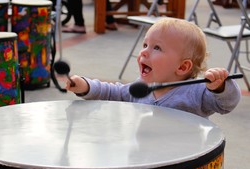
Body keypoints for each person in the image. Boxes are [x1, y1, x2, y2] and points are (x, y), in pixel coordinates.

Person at [61, 18, 241, 118]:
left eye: (157, 48)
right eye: (145, 44)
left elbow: (225, 105)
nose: (144, 52)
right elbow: (113, 93)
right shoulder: (141, 88)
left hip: (180, 162)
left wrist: (219, 87)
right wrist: (86, 86)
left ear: (183, 66)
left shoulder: (197, 92)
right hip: (146, 158)